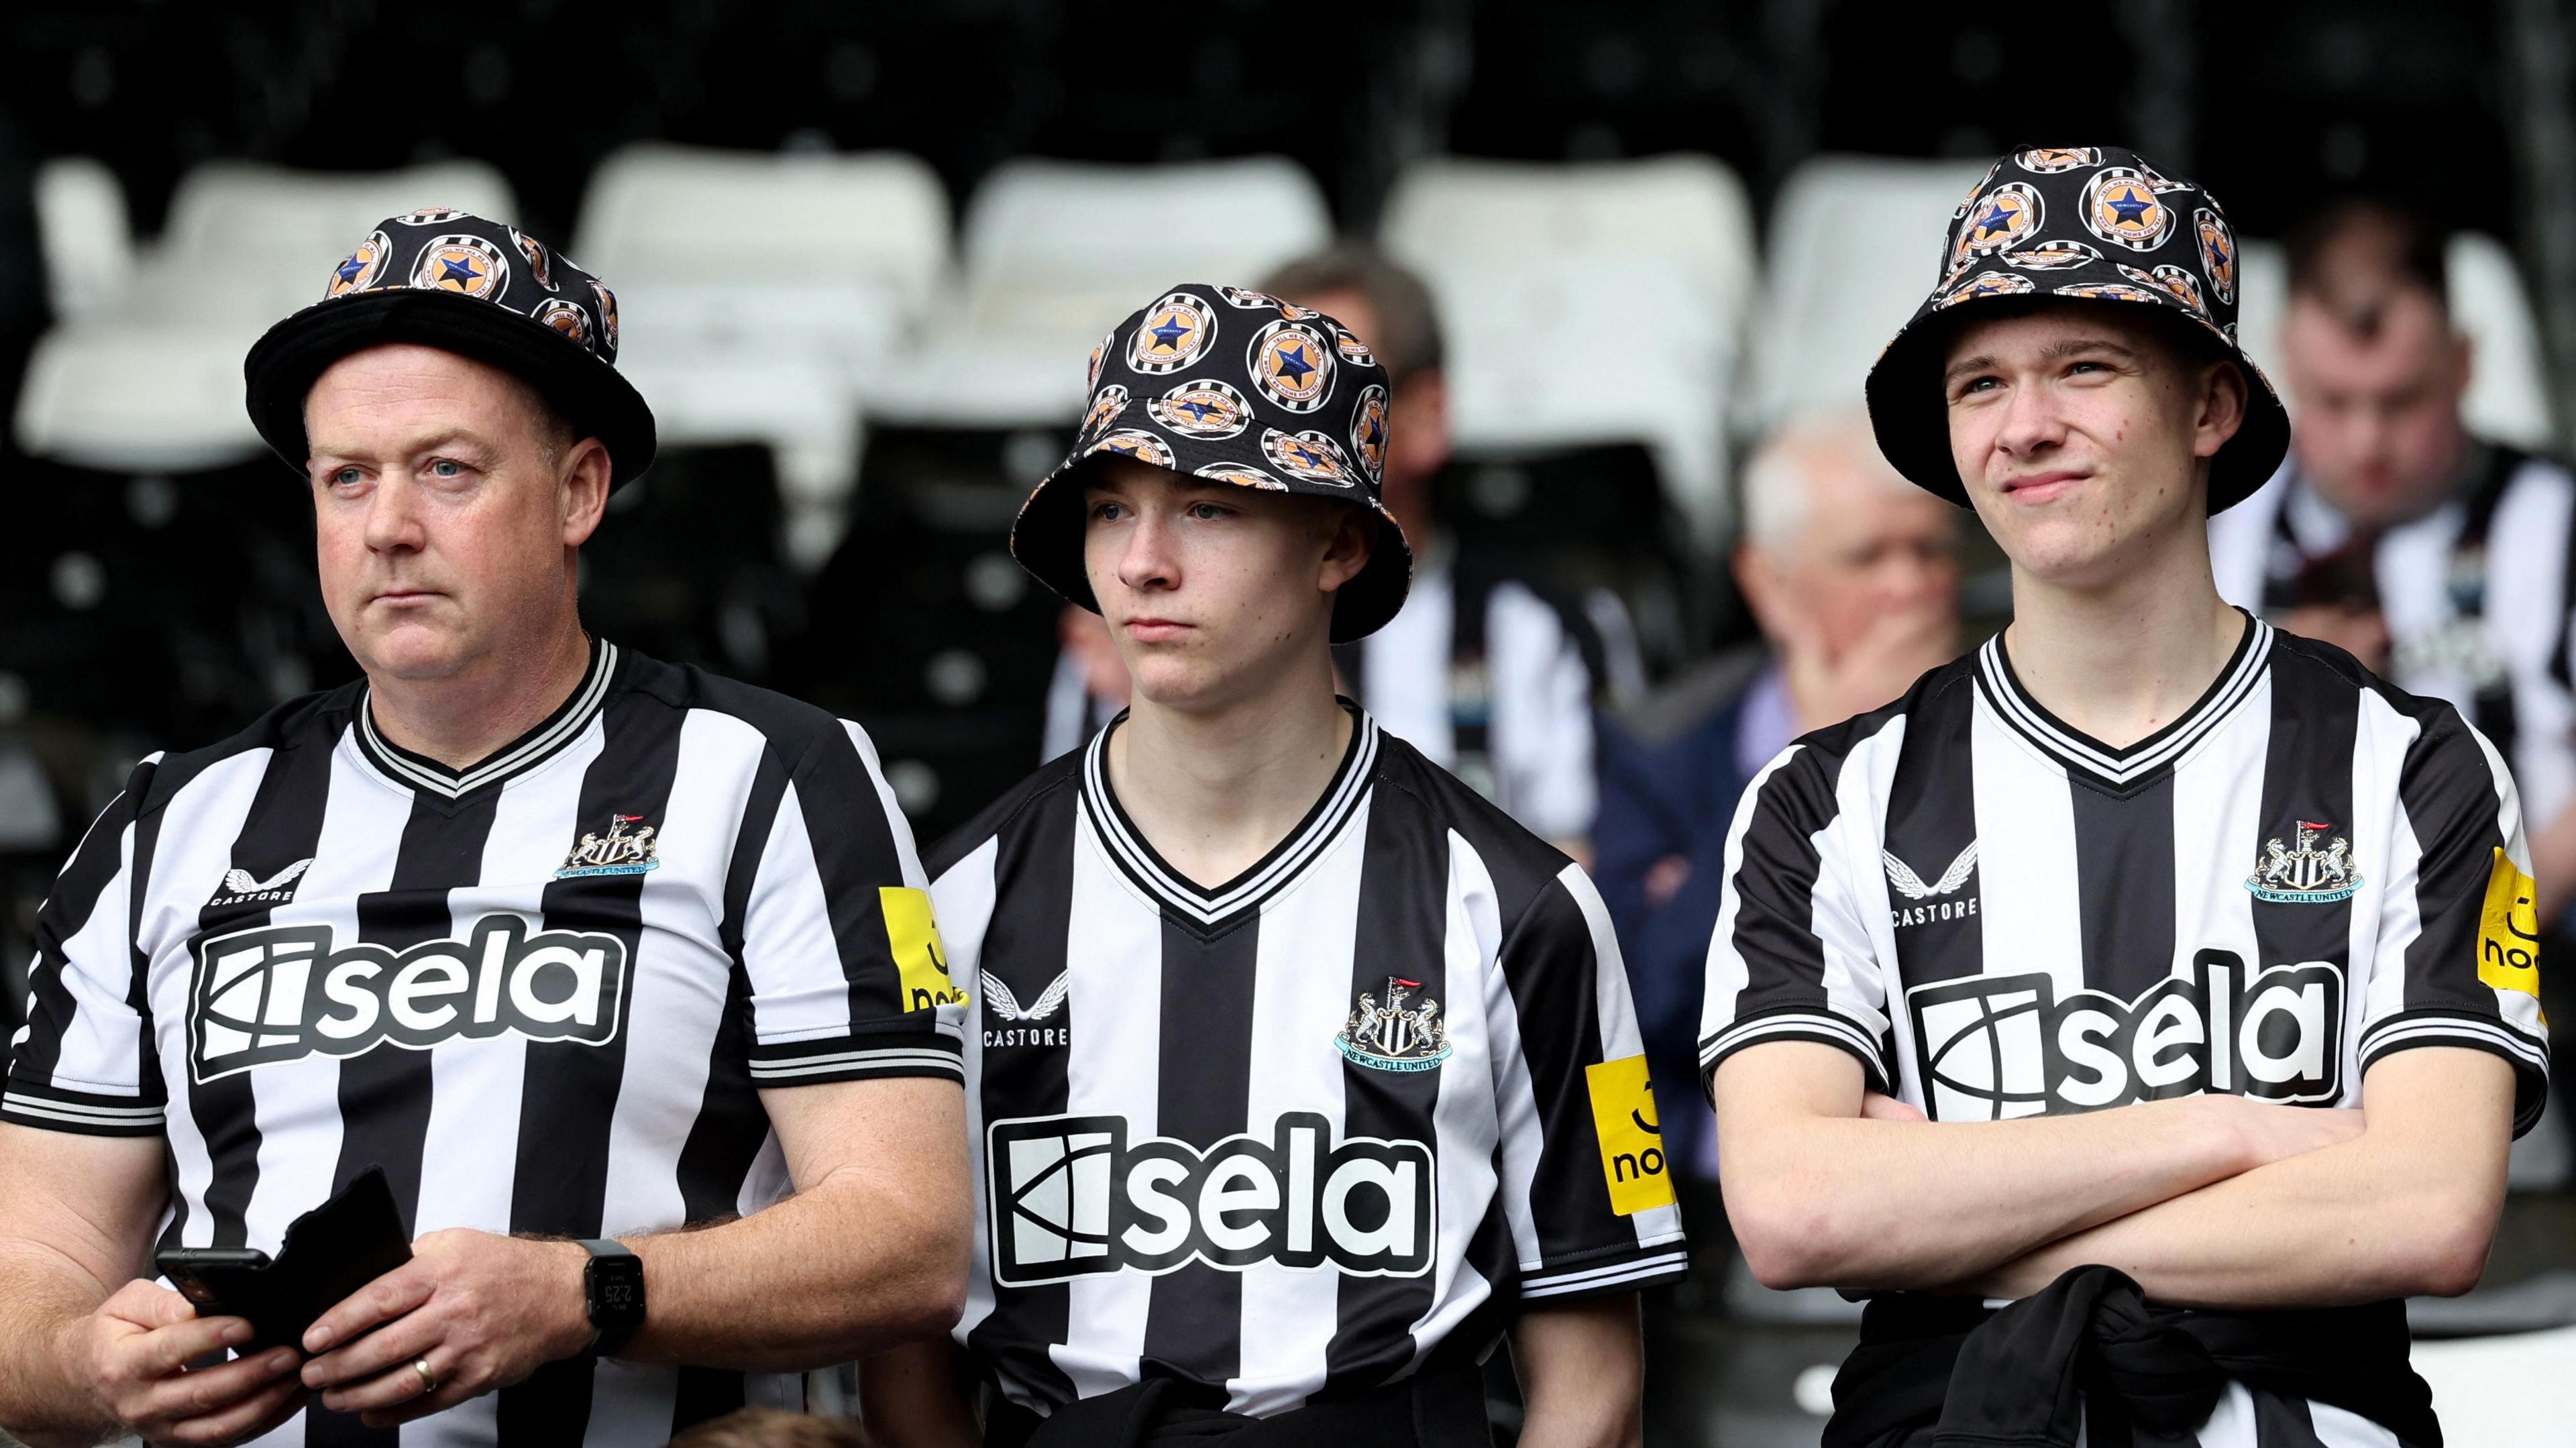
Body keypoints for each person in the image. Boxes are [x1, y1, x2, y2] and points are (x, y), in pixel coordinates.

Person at [0, 212, 971, 1448]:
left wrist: (584, 1290)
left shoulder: (774, 776)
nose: (387, 525)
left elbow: (911, 1236)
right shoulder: (169, 820)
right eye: (346, 476)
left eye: (446, 469)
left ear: (579, 489)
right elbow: (24, 1276)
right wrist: (88, 1364)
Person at [1701, 147, 2547, 1445]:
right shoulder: (1822, 800)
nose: (2024, 424)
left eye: (2083, 368)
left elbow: (2428, 1208)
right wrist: (2245, 1131)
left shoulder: (2416, 766)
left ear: (2213, 407)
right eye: (1981, 381)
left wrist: (1950, 1212)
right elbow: (1796, 1208)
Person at [862, 284, 1684, 1448]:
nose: (1142, 562)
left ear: (1339, 543)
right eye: (1108, 510)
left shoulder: (1525, 907)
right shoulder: (944, 905)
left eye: (1206, 507)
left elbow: (1595, 1383)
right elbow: (902, 1339)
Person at [1043, 249, 1619, 858]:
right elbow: (1067, 871)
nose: (1279, 419)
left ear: (1426, 415)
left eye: (1320, 386)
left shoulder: (1539, 626)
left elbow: (1580, 888)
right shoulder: (1137, 617)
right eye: (1112, 510)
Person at [1592, 412, 1959, 1182]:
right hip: (1715, 1199)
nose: (1910, 585)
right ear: (1769, 583)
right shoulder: (1660, 741)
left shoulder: (2019, 719)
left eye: (1929, 549)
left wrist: (1696, 882)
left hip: (1964, 1166)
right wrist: (1822, 757)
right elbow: (1633, 1008)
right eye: (1867, 557)